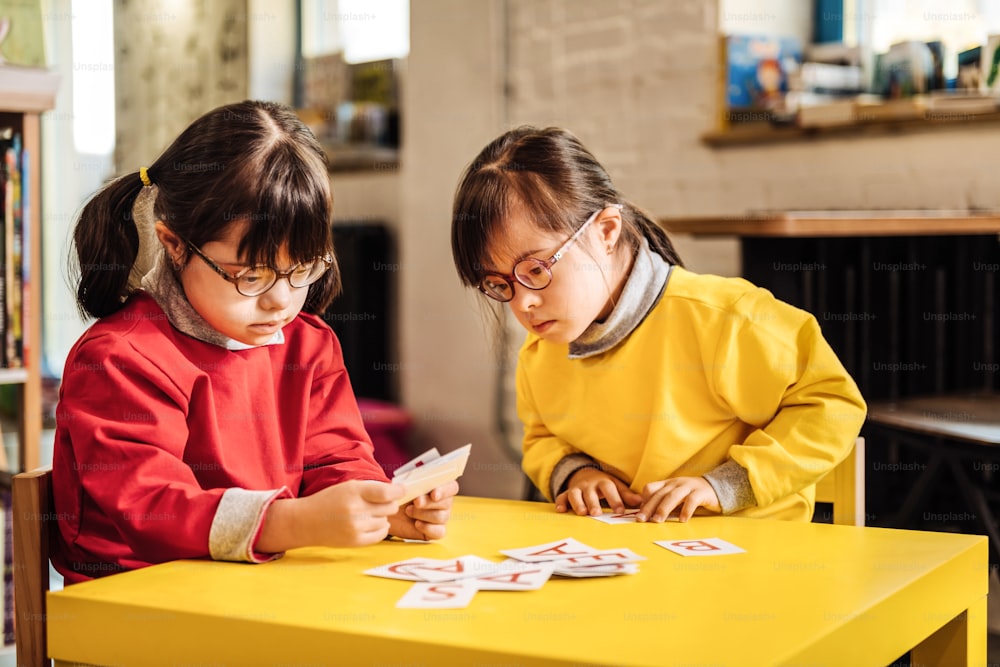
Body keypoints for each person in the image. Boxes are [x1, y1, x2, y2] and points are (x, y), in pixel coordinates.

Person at [52, 100, 457, 584]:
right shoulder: (120, 358)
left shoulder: (307, 345)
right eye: (252, 275)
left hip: (254, 588)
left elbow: (336, 457)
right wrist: (292, 522)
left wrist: (376, 506)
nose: (281, 301)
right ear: (174, 243)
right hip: (136, 602)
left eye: (303, 269)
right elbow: (151, 506)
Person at [450, 126, 866, 523]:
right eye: (497, 283)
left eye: (536, 269)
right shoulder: (542, 350)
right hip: (633, 560)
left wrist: (724, 485)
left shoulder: (724, 318)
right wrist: (575, 473)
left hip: (753, 558)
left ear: (606, 232)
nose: (523, 303)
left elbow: (832, 404)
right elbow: (541, 438)